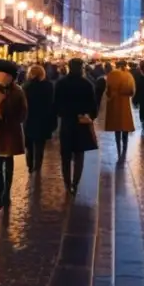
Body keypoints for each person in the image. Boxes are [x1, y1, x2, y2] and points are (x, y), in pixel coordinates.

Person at [0, 60, 28, 213]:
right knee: (0, 163)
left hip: (7, 130)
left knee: (6, 163)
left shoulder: (16, 91)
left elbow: (22, 112)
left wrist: (11, 119)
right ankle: (1, 193)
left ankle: (4, 194)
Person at [54, 58, 99, 195]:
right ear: (81, 68)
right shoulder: (87, 84)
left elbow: (55, 104)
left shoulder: (61, 83)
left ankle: (67, 184)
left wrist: (62, 113)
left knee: (65, 155)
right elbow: (93, 106)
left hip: (67, 122)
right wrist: (89, 116)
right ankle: (75, 183)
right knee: (79, 154)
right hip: (81, 122)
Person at [23, 65, 56, 173]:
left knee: (29, 144)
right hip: (43, 119)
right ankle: (38, 166)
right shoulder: (48, 86)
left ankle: (30, 165)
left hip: (29, 118)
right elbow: (52, 104)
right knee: (40, 145)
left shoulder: (26, 86)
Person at [105, 60, 136, 159]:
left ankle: (118, 148)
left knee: (117, 128)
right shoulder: (129, 76)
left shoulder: (112, 75)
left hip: (114, 103)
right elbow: (132, 91)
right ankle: (125, 148)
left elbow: (107, 90)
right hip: (125, 104)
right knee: (125, 126)